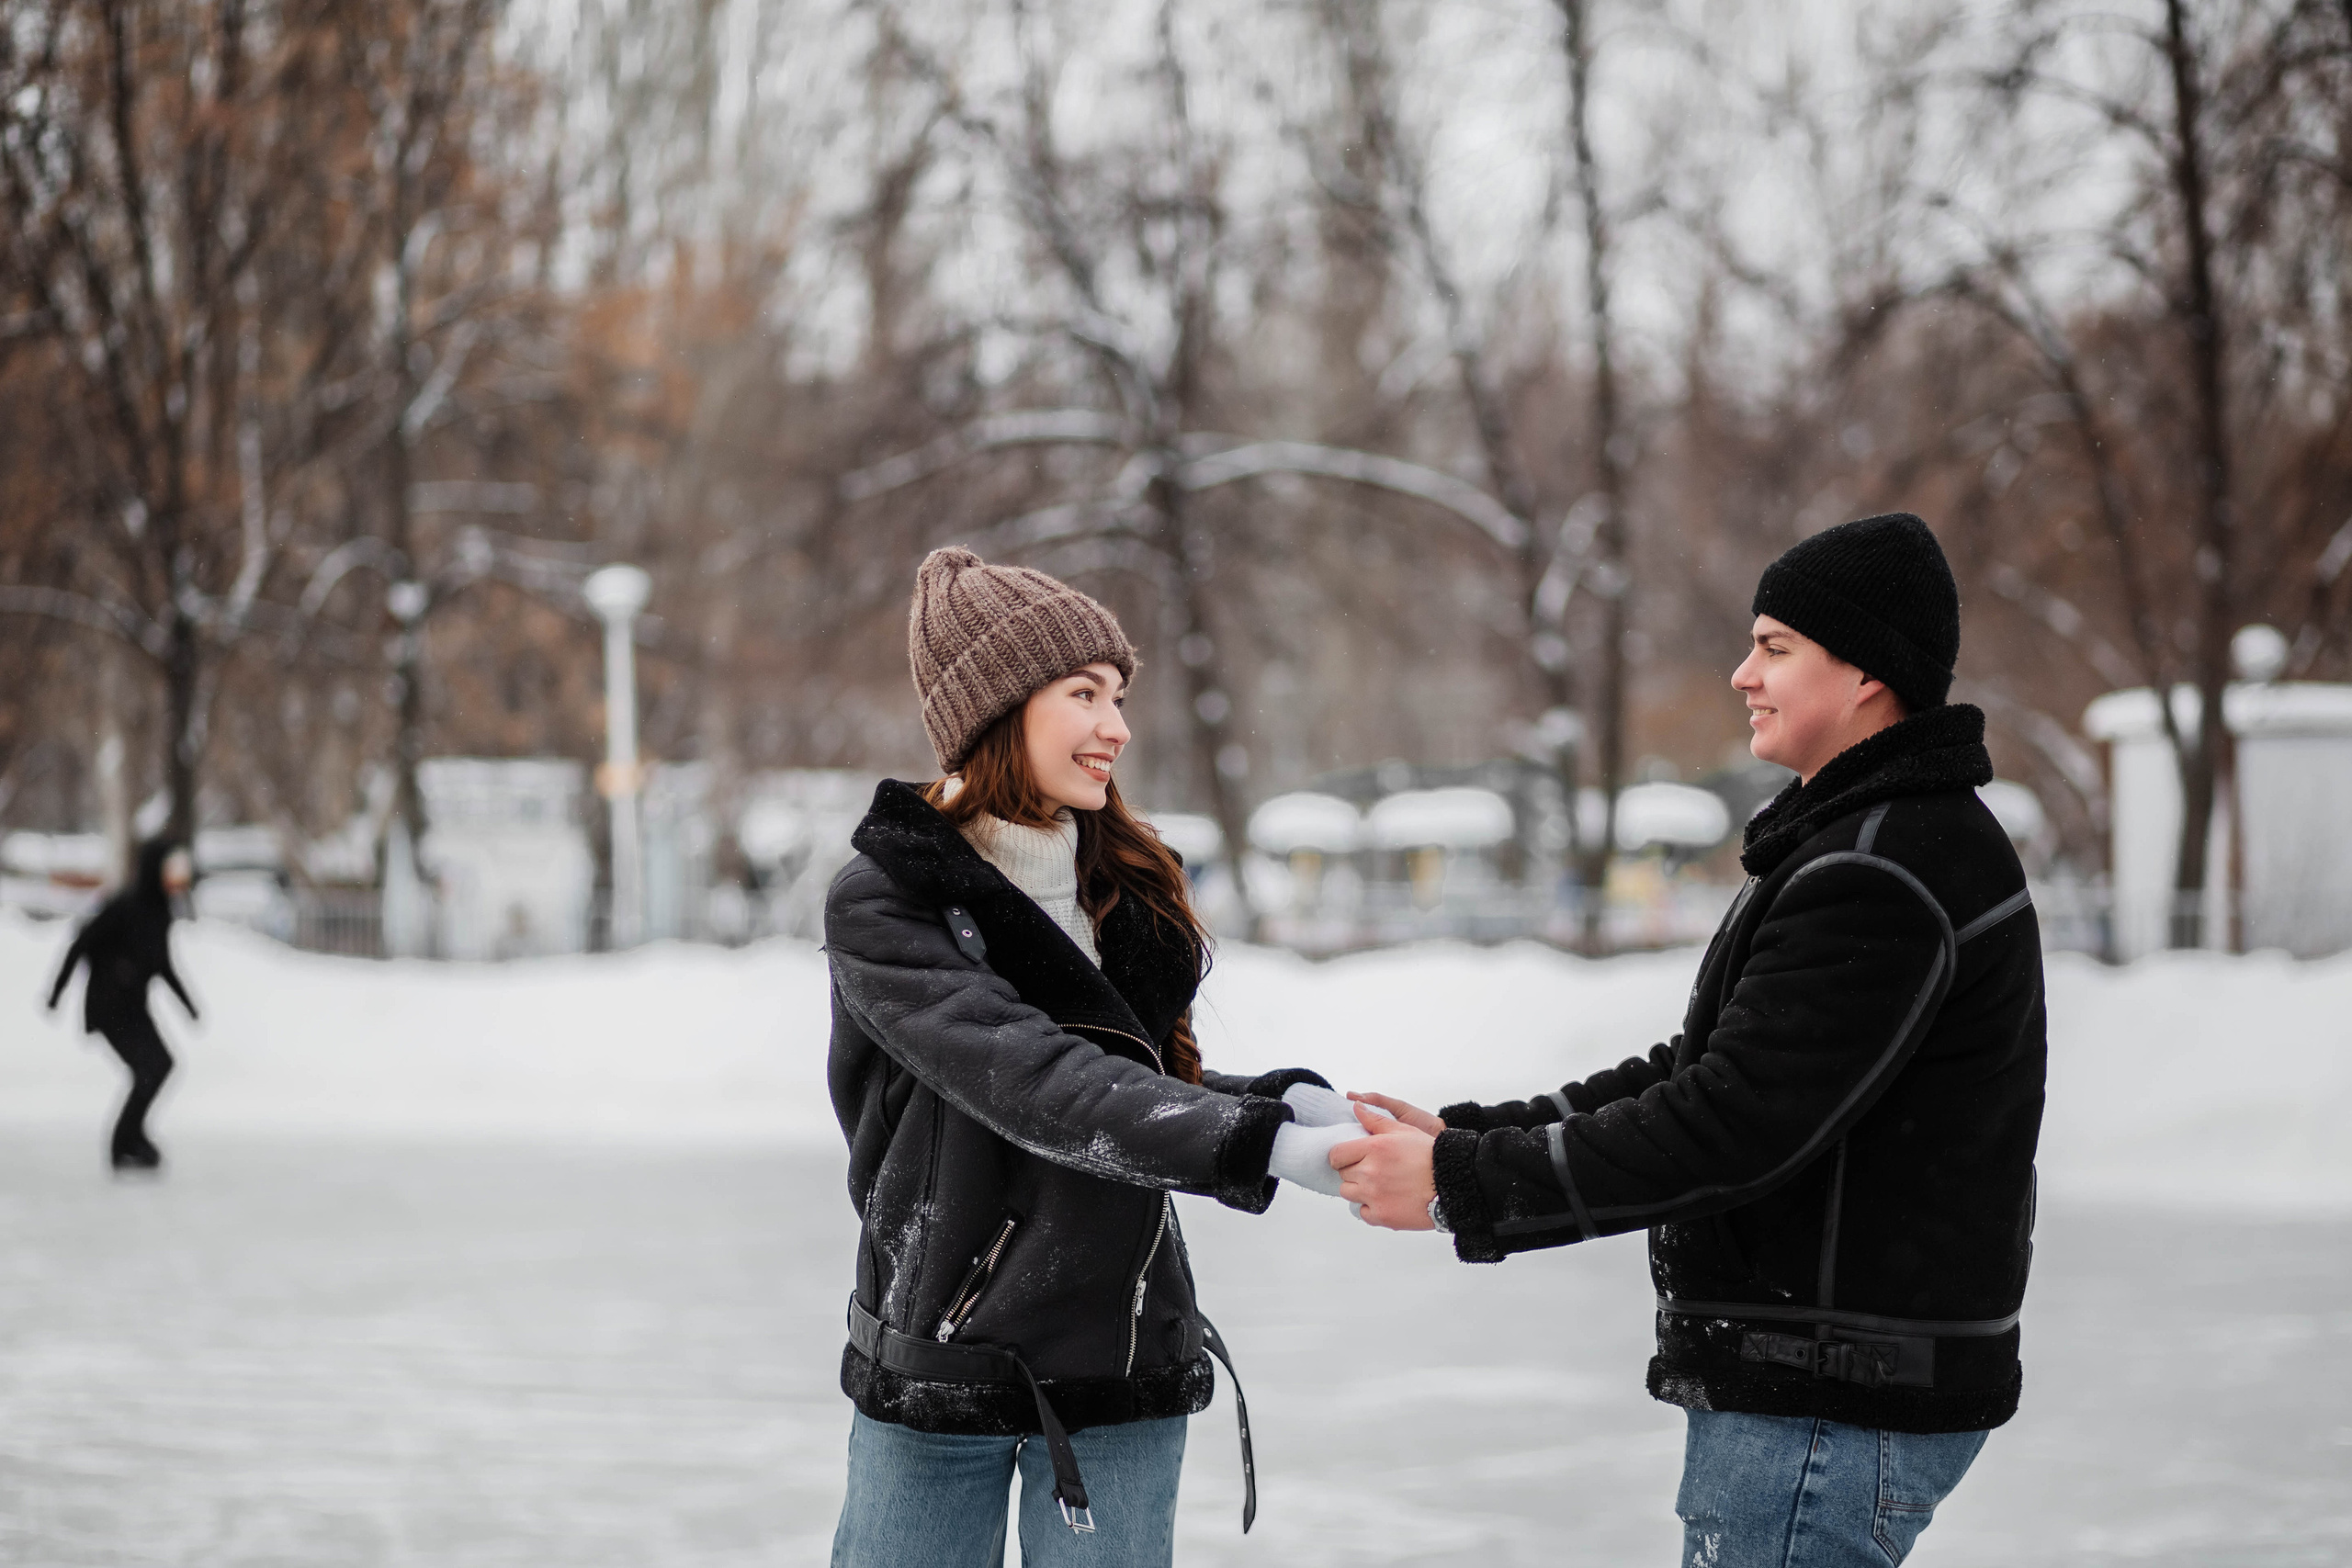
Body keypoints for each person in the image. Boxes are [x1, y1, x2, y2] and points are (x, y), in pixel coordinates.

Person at [1337, 513, 2046, 1568]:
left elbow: (1730, 1123)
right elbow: (1709, 1069)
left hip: (1828, 1397)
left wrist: (1463, 1182)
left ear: (1865, 674)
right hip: (1831, 1384)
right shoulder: (1871, 839)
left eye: (1773, 647)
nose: (1740, 675)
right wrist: (1470, 1137)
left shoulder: (1878, 866)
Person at [823, 547, 1363, 1567]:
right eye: (1083, 693)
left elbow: (1136, 1087)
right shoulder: (889, 899)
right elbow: (1031, 1079)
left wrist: (1283, 1106)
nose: (1116, 726)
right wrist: (1249, 1144)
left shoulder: (1123, 886)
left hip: (1119, 1349)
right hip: (948, 1354)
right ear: (997, 707)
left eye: (1117, 695)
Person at [46, 837, 200, 1172]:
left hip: (134, 1008)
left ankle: (131, 1136)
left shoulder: (161, 913)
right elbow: (81, 944)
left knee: (159, 1066)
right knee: (150, 1069)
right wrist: (57, 992)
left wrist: (188, 1004)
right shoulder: (124, 906)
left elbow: (162, 964)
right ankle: (123, 1141)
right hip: (109, 1007)